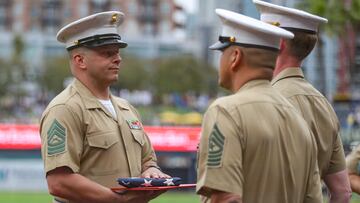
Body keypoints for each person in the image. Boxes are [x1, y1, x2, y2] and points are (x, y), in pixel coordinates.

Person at [39, 11, 169, 203]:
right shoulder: (65, 108)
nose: (118, 59)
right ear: (80, 60)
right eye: (107, 53)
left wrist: (152, 172)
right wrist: (117, 200)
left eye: (117, 52)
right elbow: (59, 182)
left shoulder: (126, 108)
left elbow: (148, 160)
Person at [196, 8, 322, 203]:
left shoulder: (226, 111)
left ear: (235, 56)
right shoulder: (299, 121)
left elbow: (226, 198)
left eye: (222, 51)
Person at [253, 1, 352, 202]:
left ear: (279, 43)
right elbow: (342, 191)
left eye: (262, 37)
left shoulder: (265, 100)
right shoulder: (323, 104)